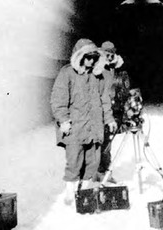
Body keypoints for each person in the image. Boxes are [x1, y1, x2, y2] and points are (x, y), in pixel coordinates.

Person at [50, 38, 117, 205]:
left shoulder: (98, 76)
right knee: (74, 162)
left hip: (95, 127)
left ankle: (85, 193)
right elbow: (58, 100)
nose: (91, 60)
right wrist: (63, 120)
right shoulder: (67, 73)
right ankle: (70, 192)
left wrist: (109, 119)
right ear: (80, 56)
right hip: (75, 128)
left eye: (94, 57)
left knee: (93, 162)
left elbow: (104, 99)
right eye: (88, 56)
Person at [95, 41, 132, 183]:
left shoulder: (117, 69)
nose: (109, 57)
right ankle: (98, 171)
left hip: (114, 110)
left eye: (111, 54)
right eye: (106, 54)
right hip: (101, 110)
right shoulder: (97, 69)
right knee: (100, 142)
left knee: (108, 142)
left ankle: (105, 171)